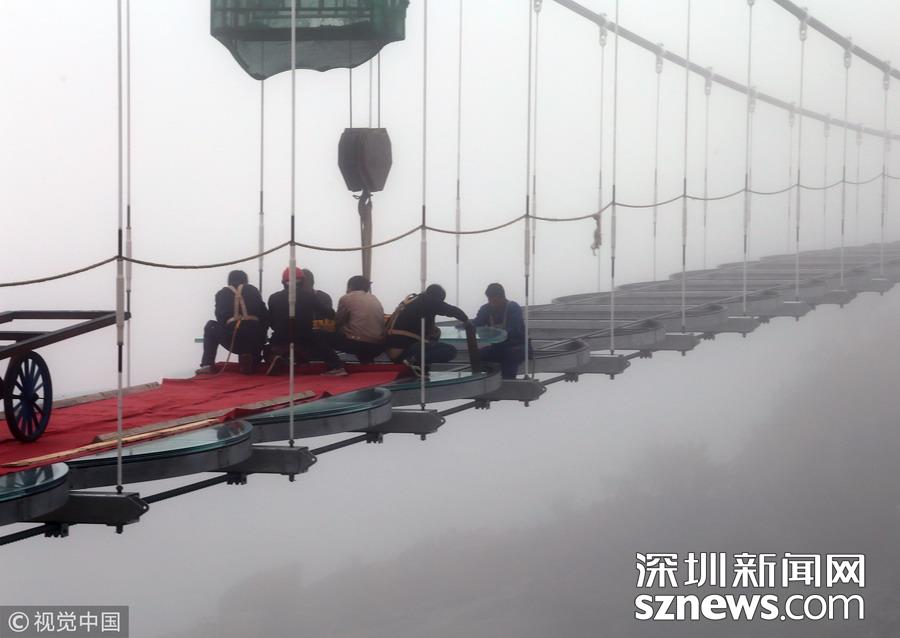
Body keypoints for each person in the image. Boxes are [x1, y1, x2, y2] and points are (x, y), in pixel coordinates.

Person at [267, 267, 347, 376]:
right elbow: (329, 314)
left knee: (269, 346)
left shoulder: (273, 297)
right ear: (303, 281)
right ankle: (336, 366)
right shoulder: (309, 296)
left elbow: (271, 322)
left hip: (280, 339)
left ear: (283, 282)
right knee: (320, 335)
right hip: (304, 338)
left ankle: (276, 358)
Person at [386, 284, 470, 375]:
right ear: (438, 298)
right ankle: (413, 360)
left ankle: (418, 364)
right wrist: (467, 321)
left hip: (393, 352)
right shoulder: (429, 301)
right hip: (403, 353)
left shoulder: (412, 301)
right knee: (450, 350)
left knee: (435, 333)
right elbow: (452, 311)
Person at [197, 270, 268, 375]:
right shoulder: (253, 290)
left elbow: (220, 319)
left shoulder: (221, 293)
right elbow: (265, 316)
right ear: (245, 280)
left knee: (210, 326)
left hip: (234, 340)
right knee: (256, 328)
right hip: (255, 339)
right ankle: (253, 359)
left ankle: (207, 365)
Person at [472, 283, 526, 380]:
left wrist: (494, 333)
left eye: (495, 299)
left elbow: (514, 330)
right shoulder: (486, 309)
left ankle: (507, 382)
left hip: (517, 346)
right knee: (478, 355)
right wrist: (465, 325)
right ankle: (486, 381)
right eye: (489, 299)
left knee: (510, 356)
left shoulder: (513, 308)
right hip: (497, 347)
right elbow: (477, 323)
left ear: (502, 297)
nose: (492, 302)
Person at [332, 276, 386, 364]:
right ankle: (367, 364)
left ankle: (336, 366)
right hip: (378, 346)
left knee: (320, 336)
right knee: (361, 333)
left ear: (350, 287)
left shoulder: (346, 298)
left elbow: (338, 322)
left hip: (357, 344)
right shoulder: (375, 299)